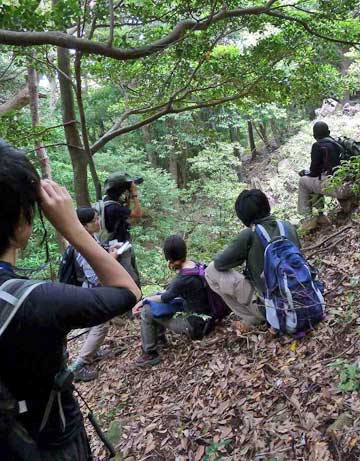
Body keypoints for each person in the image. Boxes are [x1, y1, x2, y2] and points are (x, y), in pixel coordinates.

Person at [0, 140, 140, 459]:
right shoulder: (34, 300)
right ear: (23, 220)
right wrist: (74, 230)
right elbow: (128, 291)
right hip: (50, 442)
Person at [205, 189, 300, 332]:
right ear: (266, 205)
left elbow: (220, 263)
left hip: (271, 307)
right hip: (302, 296)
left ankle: (251, 317)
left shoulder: (249, 234)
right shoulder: (286, 226)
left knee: (210, 270)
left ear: (243, 217)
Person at [132, 235, 213, 367]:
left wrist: (143, 300)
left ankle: (150, 353)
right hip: (207, 318)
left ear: (169, 258)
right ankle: (159, 338)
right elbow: (170, 292)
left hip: (195, 326)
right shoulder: (194, 265)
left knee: (147, 311)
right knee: (155, 300)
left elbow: (165, 298)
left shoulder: (182, 279)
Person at [70, 207, 119, 382]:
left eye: (98, 218)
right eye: (94, 221)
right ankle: (78, 366)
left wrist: (109, 250)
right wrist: (112, 259)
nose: (98, 222)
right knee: (101, 326)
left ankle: (94, 351)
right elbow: (94, 276)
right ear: (84, 226)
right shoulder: (81, 246)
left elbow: (98, 254)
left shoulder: (90, 238)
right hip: (91, 289)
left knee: (94, 324)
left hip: (89, 289)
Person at [298, 121, 353, 230]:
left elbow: (314, 172)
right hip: (349, 185)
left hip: (337, 188)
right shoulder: (338, 144)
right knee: (314, 181)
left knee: (304, 181)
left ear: (314, 136)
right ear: (329, 132)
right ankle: (320, 216)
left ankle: (308, 219)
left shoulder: (318, 146)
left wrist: (305, 173)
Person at [98, 172, 142, 286]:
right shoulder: (114, 208)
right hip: (120, 248)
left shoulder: (106, 202)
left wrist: (127, 200)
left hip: (114, 244)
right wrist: (134, 194)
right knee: (132, 279)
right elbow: (138, 213)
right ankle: (135, 299)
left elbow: (123, 216)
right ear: (119, 191)